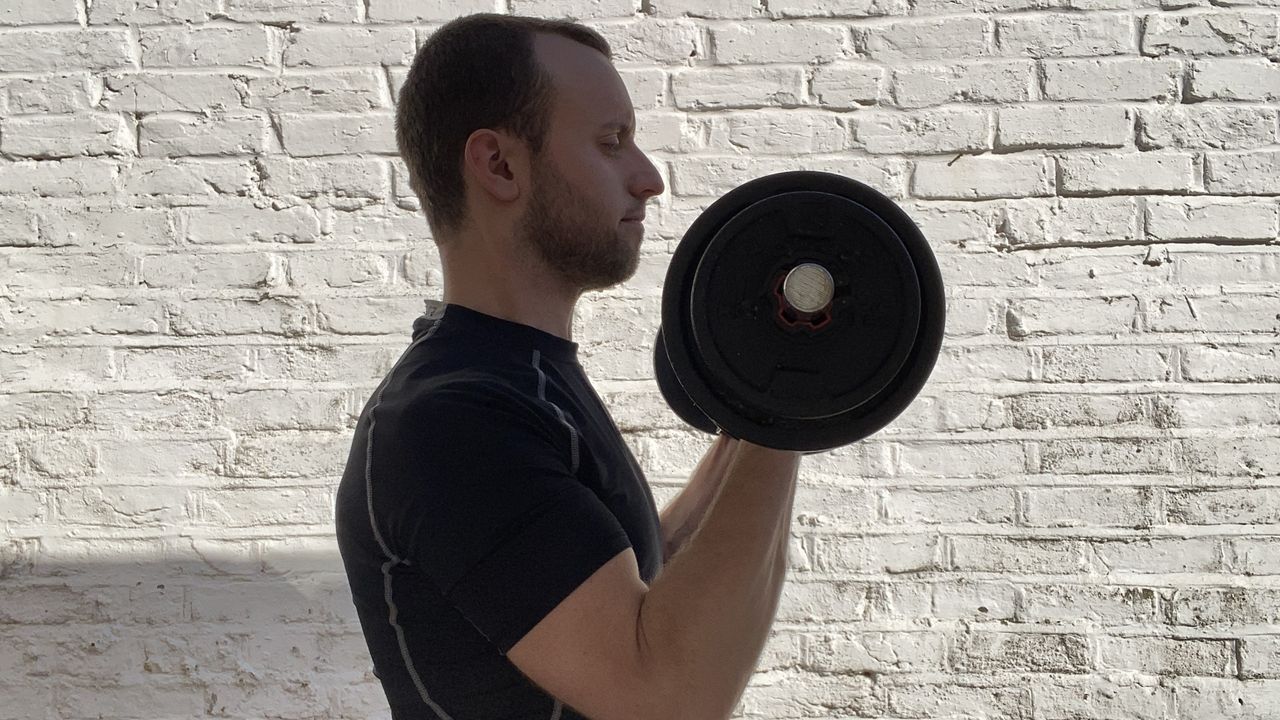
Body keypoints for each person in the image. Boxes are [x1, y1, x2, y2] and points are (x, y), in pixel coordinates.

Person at [335, 13, 801, 720]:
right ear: (499, 165)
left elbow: (634, 582)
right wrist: (795, 394)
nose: (648, 178)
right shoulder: (452, 425)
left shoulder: (517, 379)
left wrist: (754, 413)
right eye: (612, 142)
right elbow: (668, 698)